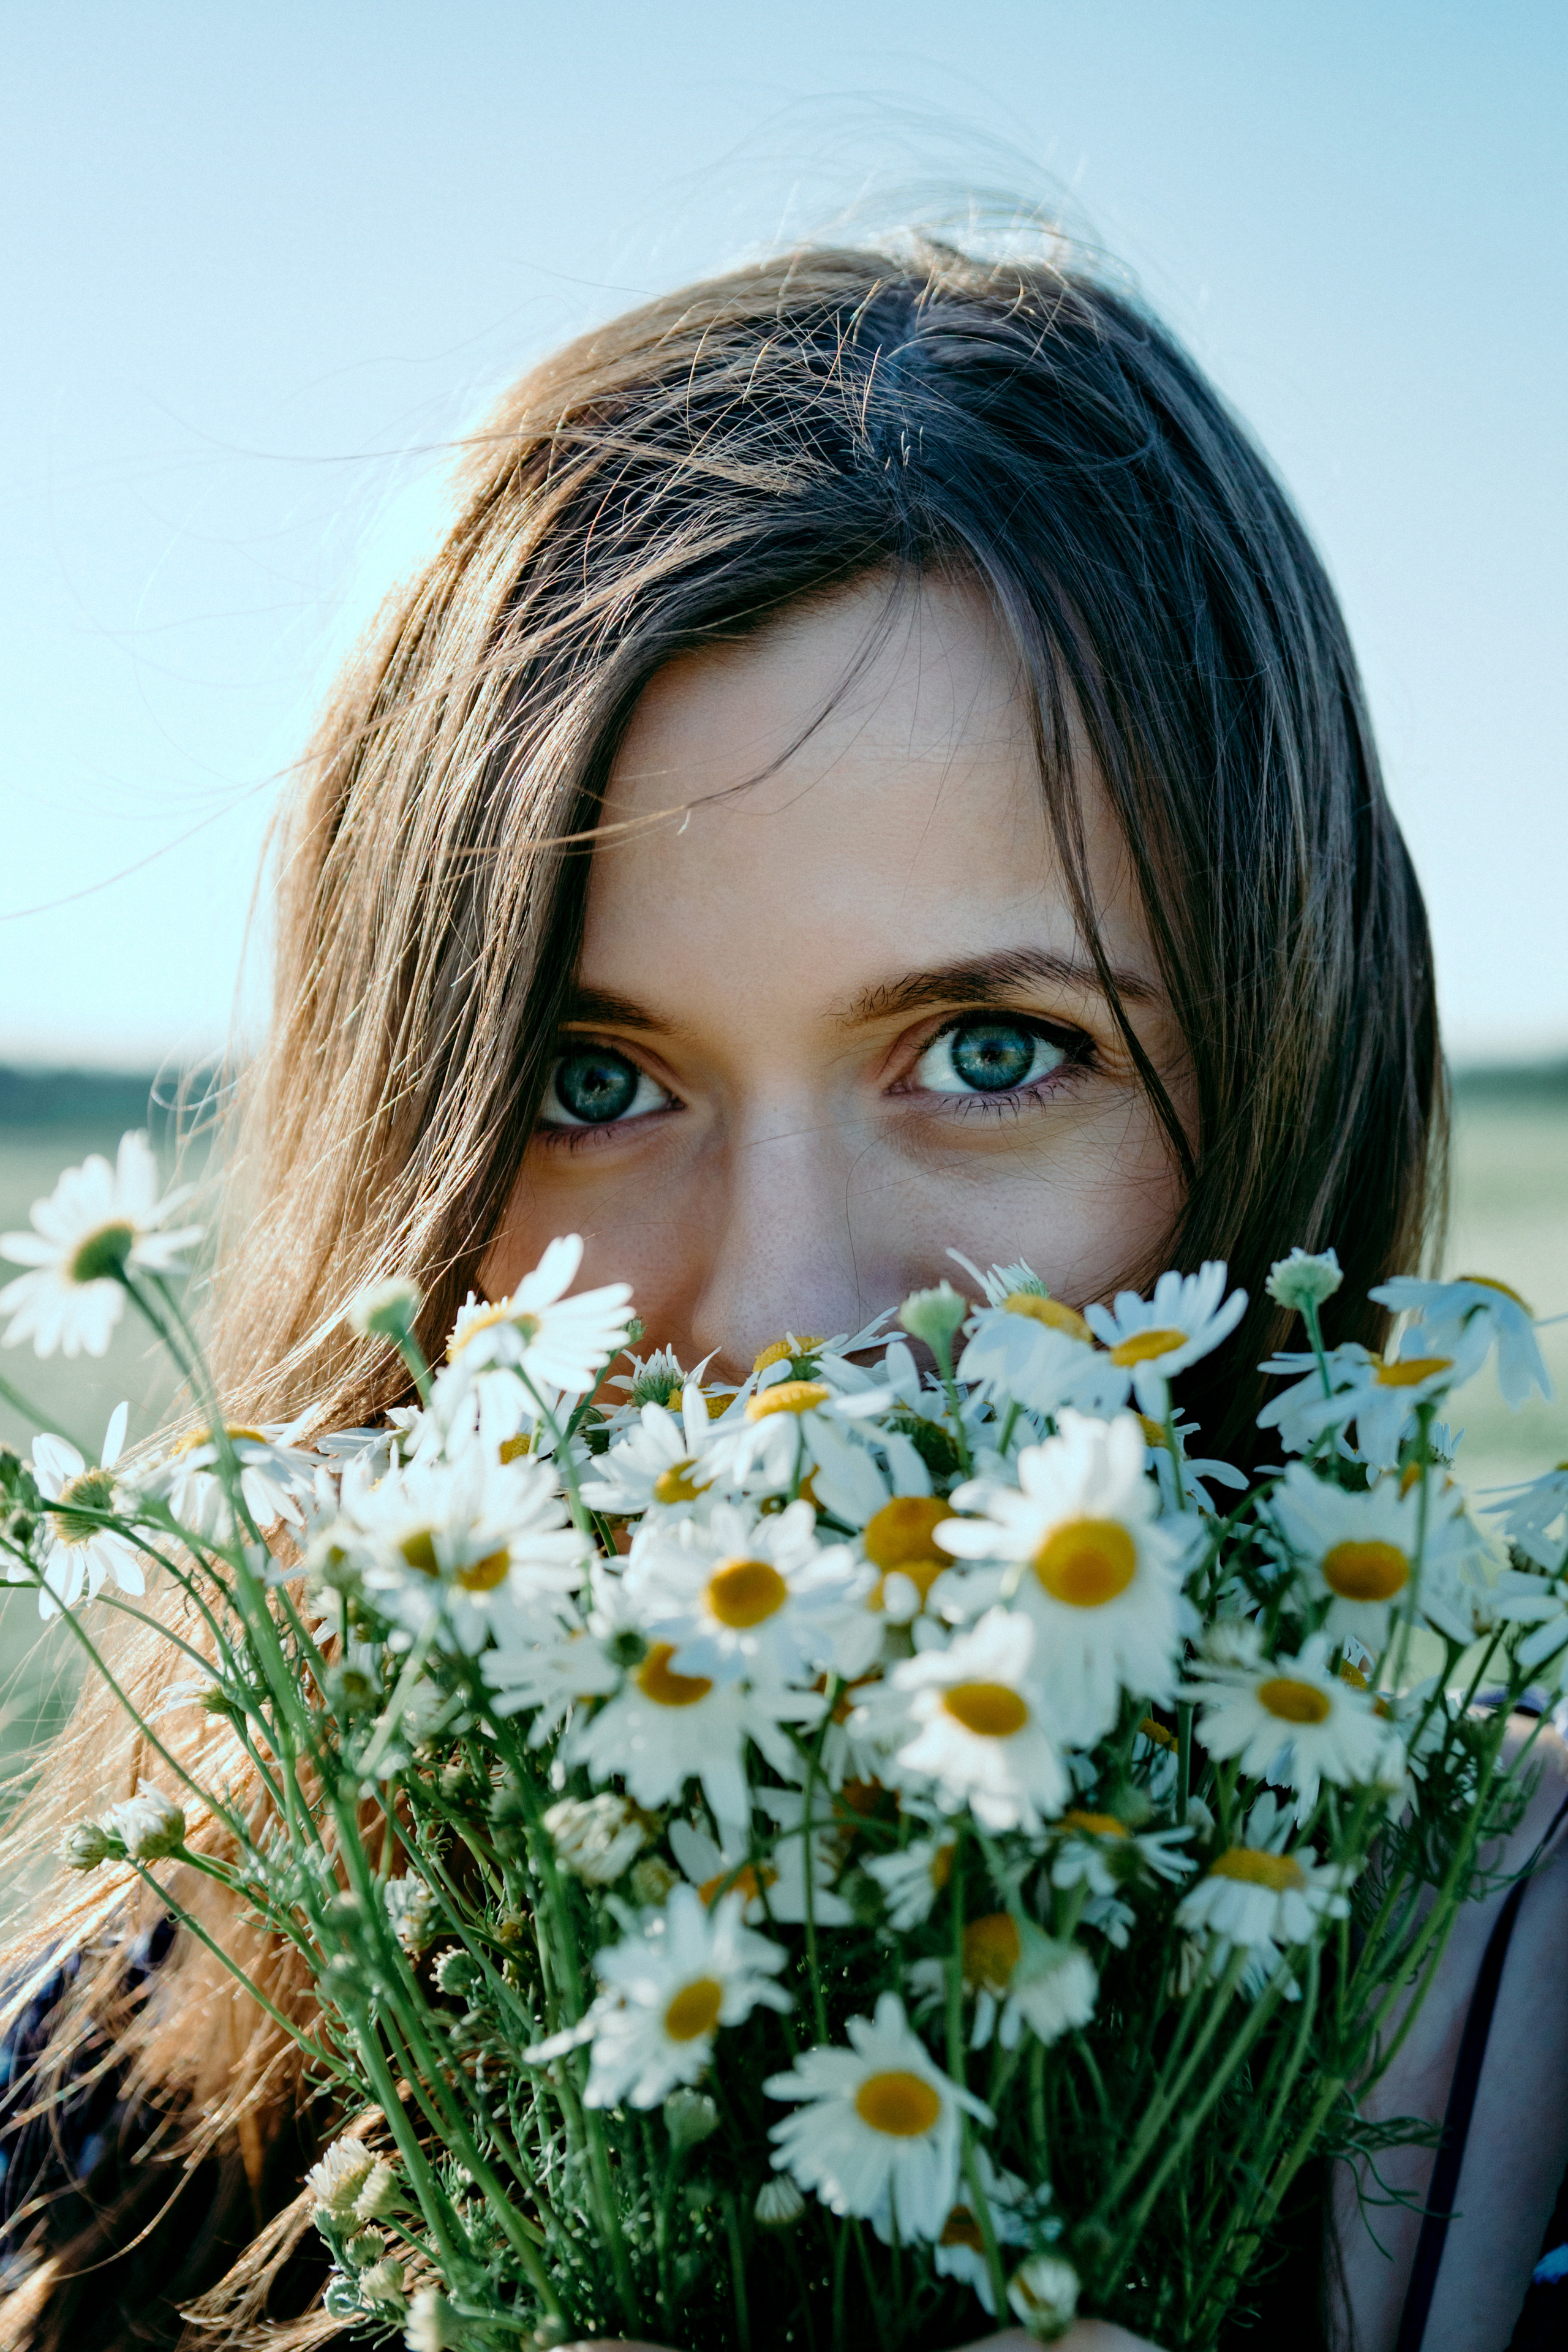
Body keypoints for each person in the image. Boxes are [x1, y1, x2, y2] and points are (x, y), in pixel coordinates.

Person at [2, 228, 1564, 2352]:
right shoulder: (112, 2098)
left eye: (992, 1054)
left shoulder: (1518, 2065)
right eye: (593, 1082)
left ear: (1295, 1083)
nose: (785, 1323)